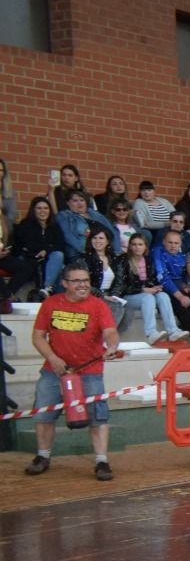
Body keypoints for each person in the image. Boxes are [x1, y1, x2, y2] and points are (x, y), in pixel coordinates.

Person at [25, 261, 120, 481]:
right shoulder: (50, 303)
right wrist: (53, 358)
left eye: (85, 280)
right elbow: (38, 336)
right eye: (76, 281)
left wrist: (113, 346)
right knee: (44, 413)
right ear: (64, 283)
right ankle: (42, 456)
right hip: (53, 370)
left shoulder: (98, 305)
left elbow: (110, 332)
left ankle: (102, 461)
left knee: (98, 416)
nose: (82, 285)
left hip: (90, 370)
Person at [43, 191, 116, 292]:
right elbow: (68, 236)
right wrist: (87, 250)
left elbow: (112, 231)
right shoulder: (64, 216)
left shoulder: (95, 214)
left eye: (82, 200)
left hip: (101, 252)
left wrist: (118, 250)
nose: (79, 203)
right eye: (75, 200)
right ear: (68, 203)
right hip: (79, 254)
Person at [5, 196, 54, 298]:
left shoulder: (53, 226)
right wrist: (48, 247)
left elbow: (60, 244)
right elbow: (30, 245)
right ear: (33, 210)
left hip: (43, 257)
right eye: (39, 208)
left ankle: (52, 295)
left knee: (58, 258)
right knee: (30, 267)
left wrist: (47, 249)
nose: (43, 211)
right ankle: (6, 296)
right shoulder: (26, 224)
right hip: (26, 256)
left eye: (46, 208)